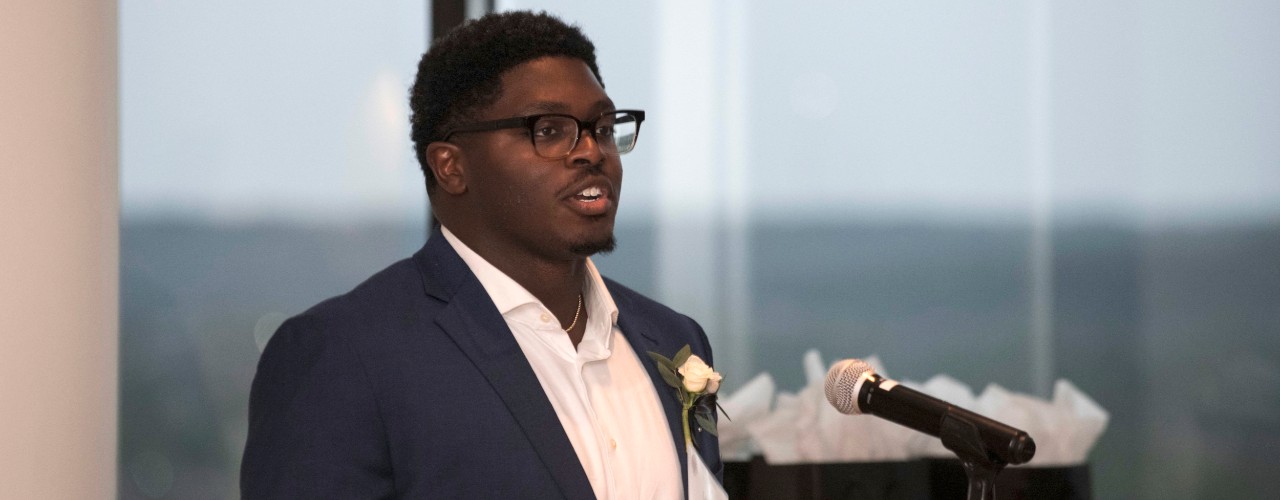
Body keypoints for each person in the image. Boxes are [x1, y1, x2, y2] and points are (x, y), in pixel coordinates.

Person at [240, 11, 722, 499]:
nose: (592, 151)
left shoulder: (673, 338)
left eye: (601, 127)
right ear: (451, 167)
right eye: (549, 130)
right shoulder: (344, 355)